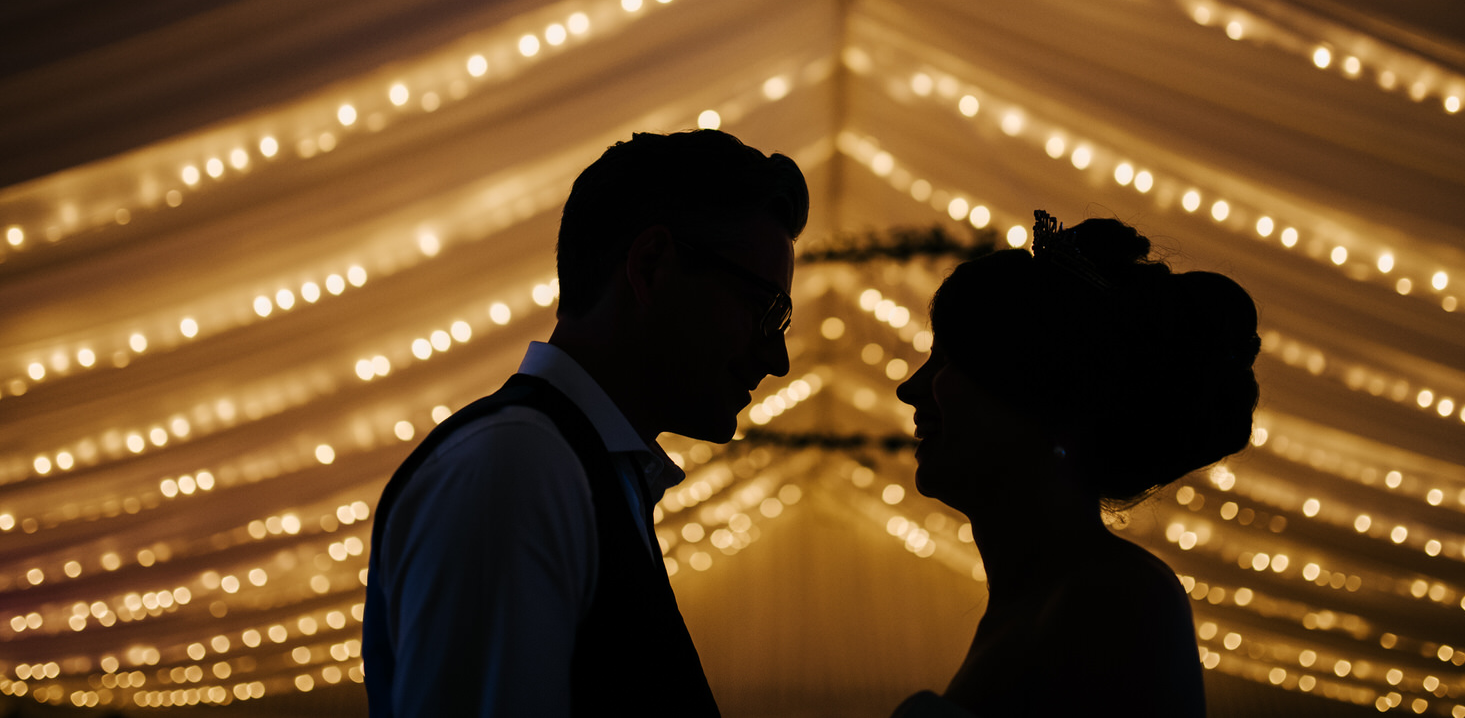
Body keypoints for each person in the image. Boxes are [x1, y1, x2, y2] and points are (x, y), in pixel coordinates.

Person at [363, 129, 808, 717]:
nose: (777, 360)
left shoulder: (582, 468)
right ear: (651, 267)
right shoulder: (518, 469)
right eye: (764, 309)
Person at [893, 211, 1260, 717]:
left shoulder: (1120, 603)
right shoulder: (1030, 607)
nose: (909, 388)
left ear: (1043, 398)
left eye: (948, 359)